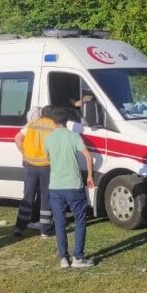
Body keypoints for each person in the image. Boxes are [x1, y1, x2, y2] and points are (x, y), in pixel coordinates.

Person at [44, 107, 96, 269]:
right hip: (73, 184)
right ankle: (78, 257)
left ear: (52, 121)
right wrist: (89, 176)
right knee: (80, 220)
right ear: (67, 121)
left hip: (55, 186)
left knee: (59, 222)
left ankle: (63, 258)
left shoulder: (48, 139)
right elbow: (88, 156)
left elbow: (48, 157)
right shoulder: (74, 136)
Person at [13, 106, 56, 239]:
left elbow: (17, 138)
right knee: (45, 198)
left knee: (28, 196)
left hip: (30, 165)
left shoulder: (31, 124)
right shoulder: (54, 126)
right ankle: (45, 230)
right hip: (46, 166)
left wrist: (24, 153)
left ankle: (20, 227)